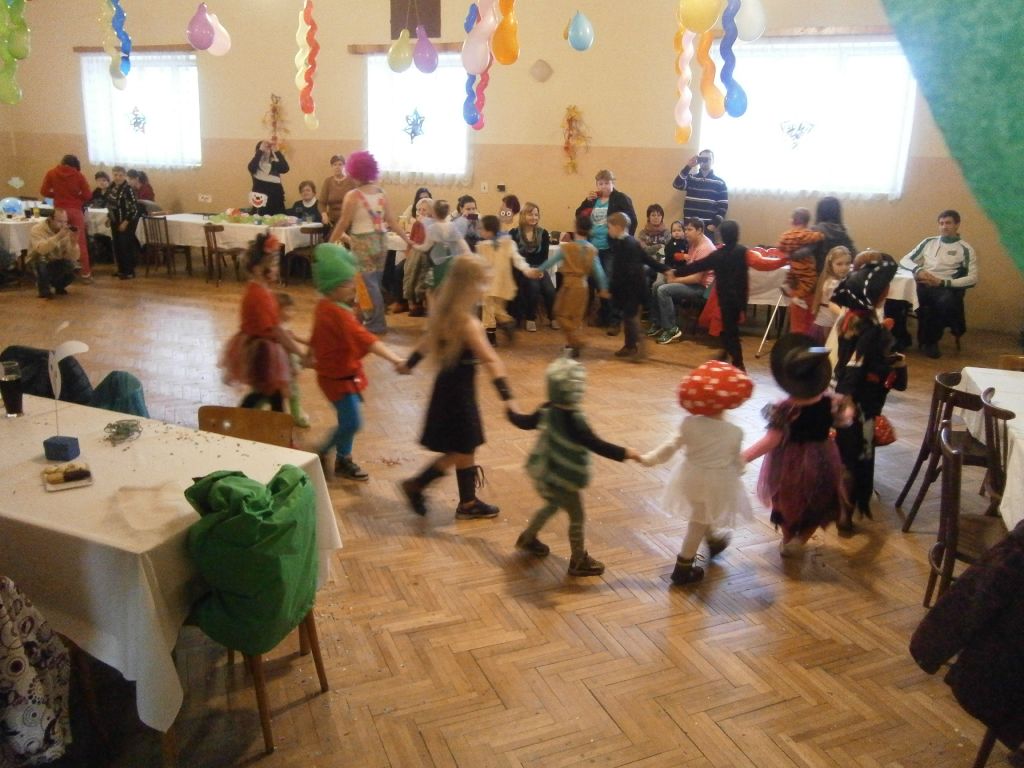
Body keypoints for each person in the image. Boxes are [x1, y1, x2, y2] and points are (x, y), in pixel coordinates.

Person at [398, 253, 517, 520]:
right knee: (462, 447)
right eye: (482, 282)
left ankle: (467, 502)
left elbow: (426, 343)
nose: (485, 287)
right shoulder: (468, 323)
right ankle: (417, 484)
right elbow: (490, 359)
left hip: (447, 388)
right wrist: (508, 397)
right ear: (469, 285)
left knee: (465, 445)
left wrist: (409, 364)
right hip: (460, 394)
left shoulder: (444, 313)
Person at [509, 355, 637, 577]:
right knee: (577, 517)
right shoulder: (575, 419)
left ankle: (528, 538)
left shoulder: (547, 409)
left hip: (547, 471)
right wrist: (624, 453)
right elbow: (595, 443)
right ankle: (578, 560)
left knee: (551, 506)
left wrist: (510, 411)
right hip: (565, 477)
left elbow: (525, 422)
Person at [639, 361, 754, 585]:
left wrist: (650, 458)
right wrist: (741, 470)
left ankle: (713, 541)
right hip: (716, 482)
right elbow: (735, 459)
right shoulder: (734, 432)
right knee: (698, 521)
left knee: (701, 512)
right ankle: (683, 567)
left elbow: (671, 446)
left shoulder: (689, 424)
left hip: (689, 478)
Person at [743, 334, 850, 558]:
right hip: (823, 459)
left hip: (789, 464)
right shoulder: (831, 401)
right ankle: (801, 539)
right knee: (818, 502)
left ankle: (788, 538)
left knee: (786, 502)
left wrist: (743, 457)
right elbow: (844, 421)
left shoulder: (785, 409)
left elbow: (771, 440)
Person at [309, 243, 405, 481]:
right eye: (346, 283)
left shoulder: (325, 306)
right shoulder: (339, 314)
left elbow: (318, 338)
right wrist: (395, 359)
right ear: (332, 287)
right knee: (352, 422)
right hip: (337, 379)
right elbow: (366, 340)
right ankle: (323, 450)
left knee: (347, 419)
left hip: (335, 376)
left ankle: (344, 459)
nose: (352, 286)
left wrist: (308, 355)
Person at [831, 251, 908, 527]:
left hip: (844, 393)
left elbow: (849, 360)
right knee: (857, 456)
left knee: (846, 453)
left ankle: (843, 504)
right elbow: (858, 363)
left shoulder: (850, 318)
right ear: (882, 292)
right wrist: (895, 364)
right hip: (859, 401)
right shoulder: (872, 328)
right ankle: (847, 510)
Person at [219, 234, 307, 411]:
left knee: (270, 394)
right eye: (273, 264)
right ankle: (244, 419)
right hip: (262, 353)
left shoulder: (262, 291)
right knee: (266, 393)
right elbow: (276, 331)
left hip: (265, 348)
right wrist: (299, 353)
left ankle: (258, 421)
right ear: (258, 269)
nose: (276, 269)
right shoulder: (259, 295)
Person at [328, 150, 410, 334]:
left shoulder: (353, 195)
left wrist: (329, 243)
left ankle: (376, 323)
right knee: (372, 283)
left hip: (362, 243)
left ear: (354, 172)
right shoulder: (381, 193)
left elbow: (343, 223)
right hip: (381, 241)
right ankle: (363, 318)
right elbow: (392, 221)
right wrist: (406, 239)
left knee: (367, 284)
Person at [668, 220, 750, 370]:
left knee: (730, 330)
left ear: (722, 235)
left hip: (725, 298)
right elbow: (752, 272)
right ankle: (726, 353)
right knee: (729, 328)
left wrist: (676, 272)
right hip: (739, 297)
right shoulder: (743, 251)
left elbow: (697, 266)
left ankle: (739, 364)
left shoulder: (718, 255)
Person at [899, 209, 978, 359]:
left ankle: (930, 342)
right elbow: (905, 260)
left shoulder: (965, 249)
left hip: (943, 286)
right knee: (897, 297)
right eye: (941, 223)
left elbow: (972, 278)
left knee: (943, 302)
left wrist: (942, 282)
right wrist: (918, 270)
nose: (944, 227)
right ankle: (901, 338)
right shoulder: (929, 242)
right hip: (922, 283)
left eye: (948, 223)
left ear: (957, 225)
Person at [535, 216, 608, 358]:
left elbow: (550, 261)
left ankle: (577, 341)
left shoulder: (567, 248)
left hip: (569, 285)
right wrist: (603, 288)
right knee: (576, 318)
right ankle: (572, 345)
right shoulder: (592, 250)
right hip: (583, 286)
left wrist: (538, 270)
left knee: (560, 314)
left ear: (575, 227)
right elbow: (599, 271)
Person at [574, 169, 638, 329]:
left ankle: (614, 318)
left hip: (612, 247)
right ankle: (603, 315)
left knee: (610, 282)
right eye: (600, 183)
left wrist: (624, 241)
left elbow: (632, 220)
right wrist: (586, 202)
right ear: (597, 184)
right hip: (592, 247)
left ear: (612, 183)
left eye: (607, 183)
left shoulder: (621, 198)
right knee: (597, 282)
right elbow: (579, 216)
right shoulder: (593, 200)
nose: (604, 186)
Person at [606, 212, 669, 361]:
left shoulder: (628, 244)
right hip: (630, 288)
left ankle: (639, 348)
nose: (608, 231)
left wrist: (613, 287)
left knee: (631, 319)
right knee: (629, 318)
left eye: (609, 227)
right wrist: (665, 269)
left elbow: (630, 270)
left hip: (632, 289)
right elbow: (646, 259)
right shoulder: (626, 242)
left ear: (618, 227)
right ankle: (630, 346)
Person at [647, 217, 715, 345]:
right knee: (657, 285)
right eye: (686, 229)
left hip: (702, 287)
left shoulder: (705, 248)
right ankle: (658, 323)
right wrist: (672, 274)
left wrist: (675, 279)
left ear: (699, 230)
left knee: (663, 290)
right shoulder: (694, 242)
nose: (686, 232)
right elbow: (689, 268)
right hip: (693, 281)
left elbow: (697, 278)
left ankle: (671, 329)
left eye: (689, 229)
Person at [476, 214, 540, 346]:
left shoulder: (497, 244)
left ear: (489, 231)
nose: (480, 231)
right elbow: (518, 260)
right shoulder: (503, 243)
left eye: (481, 229)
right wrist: (526, 269)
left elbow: (517, 259)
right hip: (501, 284)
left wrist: (527, 270)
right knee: (492, 308)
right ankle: (501, 327)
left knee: (493, 309)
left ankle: (501, 327)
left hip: (492, 283)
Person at [39, 154, 92, 281]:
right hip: (75, 210)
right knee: (79, 242)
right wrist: (76, 198)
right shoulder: (78, 175)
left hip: (59, 212)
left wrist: (57, 195)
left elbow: (44, 191)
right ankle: (85, 273)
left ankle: (62, 273)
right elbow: (88, 195)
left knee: (59, 240)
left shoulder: (51, 173)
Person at [775, 207, 825, 335]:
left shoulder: (786, 235)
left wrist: (789, 249)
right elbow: (817, 237)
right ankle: (798, 297)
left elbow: (780, 246)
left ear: (792, 220)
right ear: (807, 222)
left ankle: (787, 284)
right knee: (809, 282)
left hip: (793, 264)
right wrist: (820, 234)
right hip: (805, 265)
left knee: (792, 276)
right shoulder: (804, 234)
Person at [509, 202, 553, 332]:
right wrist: (528, 270)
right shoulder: (514, 233)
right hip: (522, 269)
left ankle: (553, 317)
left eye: (536, 215)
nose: (534, 217)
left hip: (539, 267)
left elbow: (544, 256)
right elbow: (514, 256)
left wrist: (540, 270)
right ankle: (530, 318)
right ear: (523, 215)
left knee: (550, 290)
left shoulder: (543, 233)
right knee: (534, 287)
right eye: (530, 214)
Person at [411, 199, 470, 292]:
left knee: (433, 289)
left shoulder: (432, 228)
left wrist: (415, 246)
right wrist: (469, 256)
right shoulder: (452, 226)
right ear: (448, 212)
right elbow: (462, 244)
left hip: (437, 261)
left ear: (433, 213)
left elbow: (426, 247)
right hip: (451, 261)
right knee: (449, 288)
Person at [273, 291, 311, 428]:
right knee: (292, 392)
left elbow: (293, 338)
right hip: (284, 364)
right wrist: (295, 363)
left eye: (292, 309)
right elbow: (287, 347)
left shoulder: (284, 326)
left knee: (287, 391)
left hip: (286, 363)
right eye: (287, 310)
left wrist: (308, 342)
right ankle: (297, 417)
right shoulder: (278, 328)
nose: (291, 313)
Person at [672, 149, 728, 238]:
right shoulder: (691, 178)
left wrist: (714, 225)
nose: (705, 161)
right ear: (699, 160)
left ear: (713, 161)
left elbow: (723, 207)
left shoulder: (720, 183)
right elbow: (676, 184)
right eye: (702, 158)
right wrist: (688, 166)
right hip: (689, 228)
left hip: (707, 229)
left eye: (708, 159)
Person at [27, 207, 79, 299]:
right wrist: (58, 237)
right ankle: (43, 289)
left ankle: (59, 285)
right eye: (60, 221)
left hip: (56, 260)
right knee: (41, 259)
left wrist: (73, 244)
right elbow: (41, 249)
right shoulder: (37, 229)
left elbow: (73, 257)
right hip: (36, 261)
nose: (63, 225)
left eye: (65, 222)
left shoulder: (66, 231)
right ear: (50, 219)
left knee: (73, 266)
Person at [809, 246, 852, 344]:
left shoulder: (832, 279)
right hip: (827, 328)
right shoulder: (833, 283)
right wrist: (847, 316)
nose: (844, 267)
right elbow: (832, 305)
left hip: (826, 325)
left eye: (847, 263)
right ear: (830, 264)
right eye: (839, 264)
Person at [106, 165, 139, 280]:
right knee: (117, 246)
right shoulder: (112, 187)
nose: (118, 177)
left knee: (125, 246)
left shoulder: (128, 189)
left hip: (126, 222)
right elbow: (110, 205)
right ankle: (121, 269)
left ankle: (129, 271)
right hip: (114, 221)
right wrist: (109, 218)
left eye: (120, 175)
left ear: (124, 176)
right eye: (115, 175)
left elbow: (134, 209)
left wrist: (126, 222)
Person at [403, 196, 434, 317]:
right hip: (415, 254)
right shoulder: (416, 224)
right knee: (408, 270)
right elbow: (411, 241)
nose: (421, 212)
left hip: (427, 254)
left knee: (420, 268)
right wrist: (407, 254)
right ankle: (412, 303)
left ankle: (419, 302)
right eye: (419, 210)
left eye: (424, 210)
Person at [809, 196, 855, 273]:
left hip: (819, 274)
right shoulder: (843, 232)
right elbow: (853, 255)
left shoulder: (814, 231)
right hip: (840, 275)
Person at [247, 140, 289, 215]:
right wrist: (260, 150)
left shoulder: (274, 163)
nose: (267, 150)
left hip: (277, 201)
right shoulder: (256, 165)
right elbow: (251, 168)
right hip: (260, 201)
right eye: (264, 148)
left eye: (268, 148)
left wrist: (276, 151)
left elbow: (285, 168)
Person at [319, 154, 356, 228]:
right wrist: (324, 214)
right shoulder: (328, 182)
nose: (337, 167)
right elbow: (322, 202)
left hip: (348, 222)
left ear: (344, 166)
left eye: (340, 164)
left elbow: (356, 201)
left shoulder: (351, 181)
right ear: (332, 166)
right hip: (332, 222)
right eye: (335, 164)